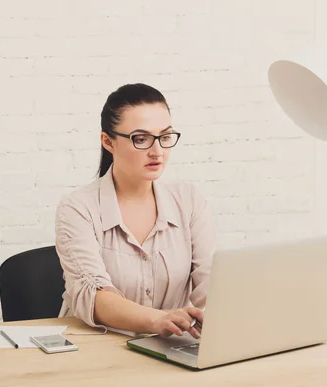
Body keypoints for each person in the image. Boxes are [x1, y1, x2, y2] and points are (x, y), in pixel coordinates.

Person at [54, 83, 216, 339]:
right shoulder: (77, 208)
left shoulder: (189, 200)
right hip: (96, 348)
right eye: (141, 139)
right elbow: (94, 296)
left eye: (165, 137)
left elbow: (211, 284)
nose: (157, 152)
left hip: (169, 347)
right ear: (108, 141)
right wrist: (160, 319)